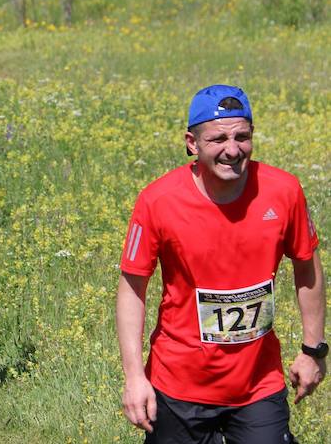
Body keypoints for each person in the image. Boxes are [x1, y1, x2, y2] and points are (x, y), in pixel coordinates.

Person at [116, 84, 325, 443]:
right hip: (178, 385)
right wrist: (135, 377)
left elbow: (308, 268)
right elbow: (132, 289)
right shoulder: (158, 201)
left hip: (257, 385)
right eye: (218, 139)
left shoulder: (284, 191)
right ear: (192, 144)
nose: (233, 150)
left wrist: (313, 350)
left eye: (242, 136)